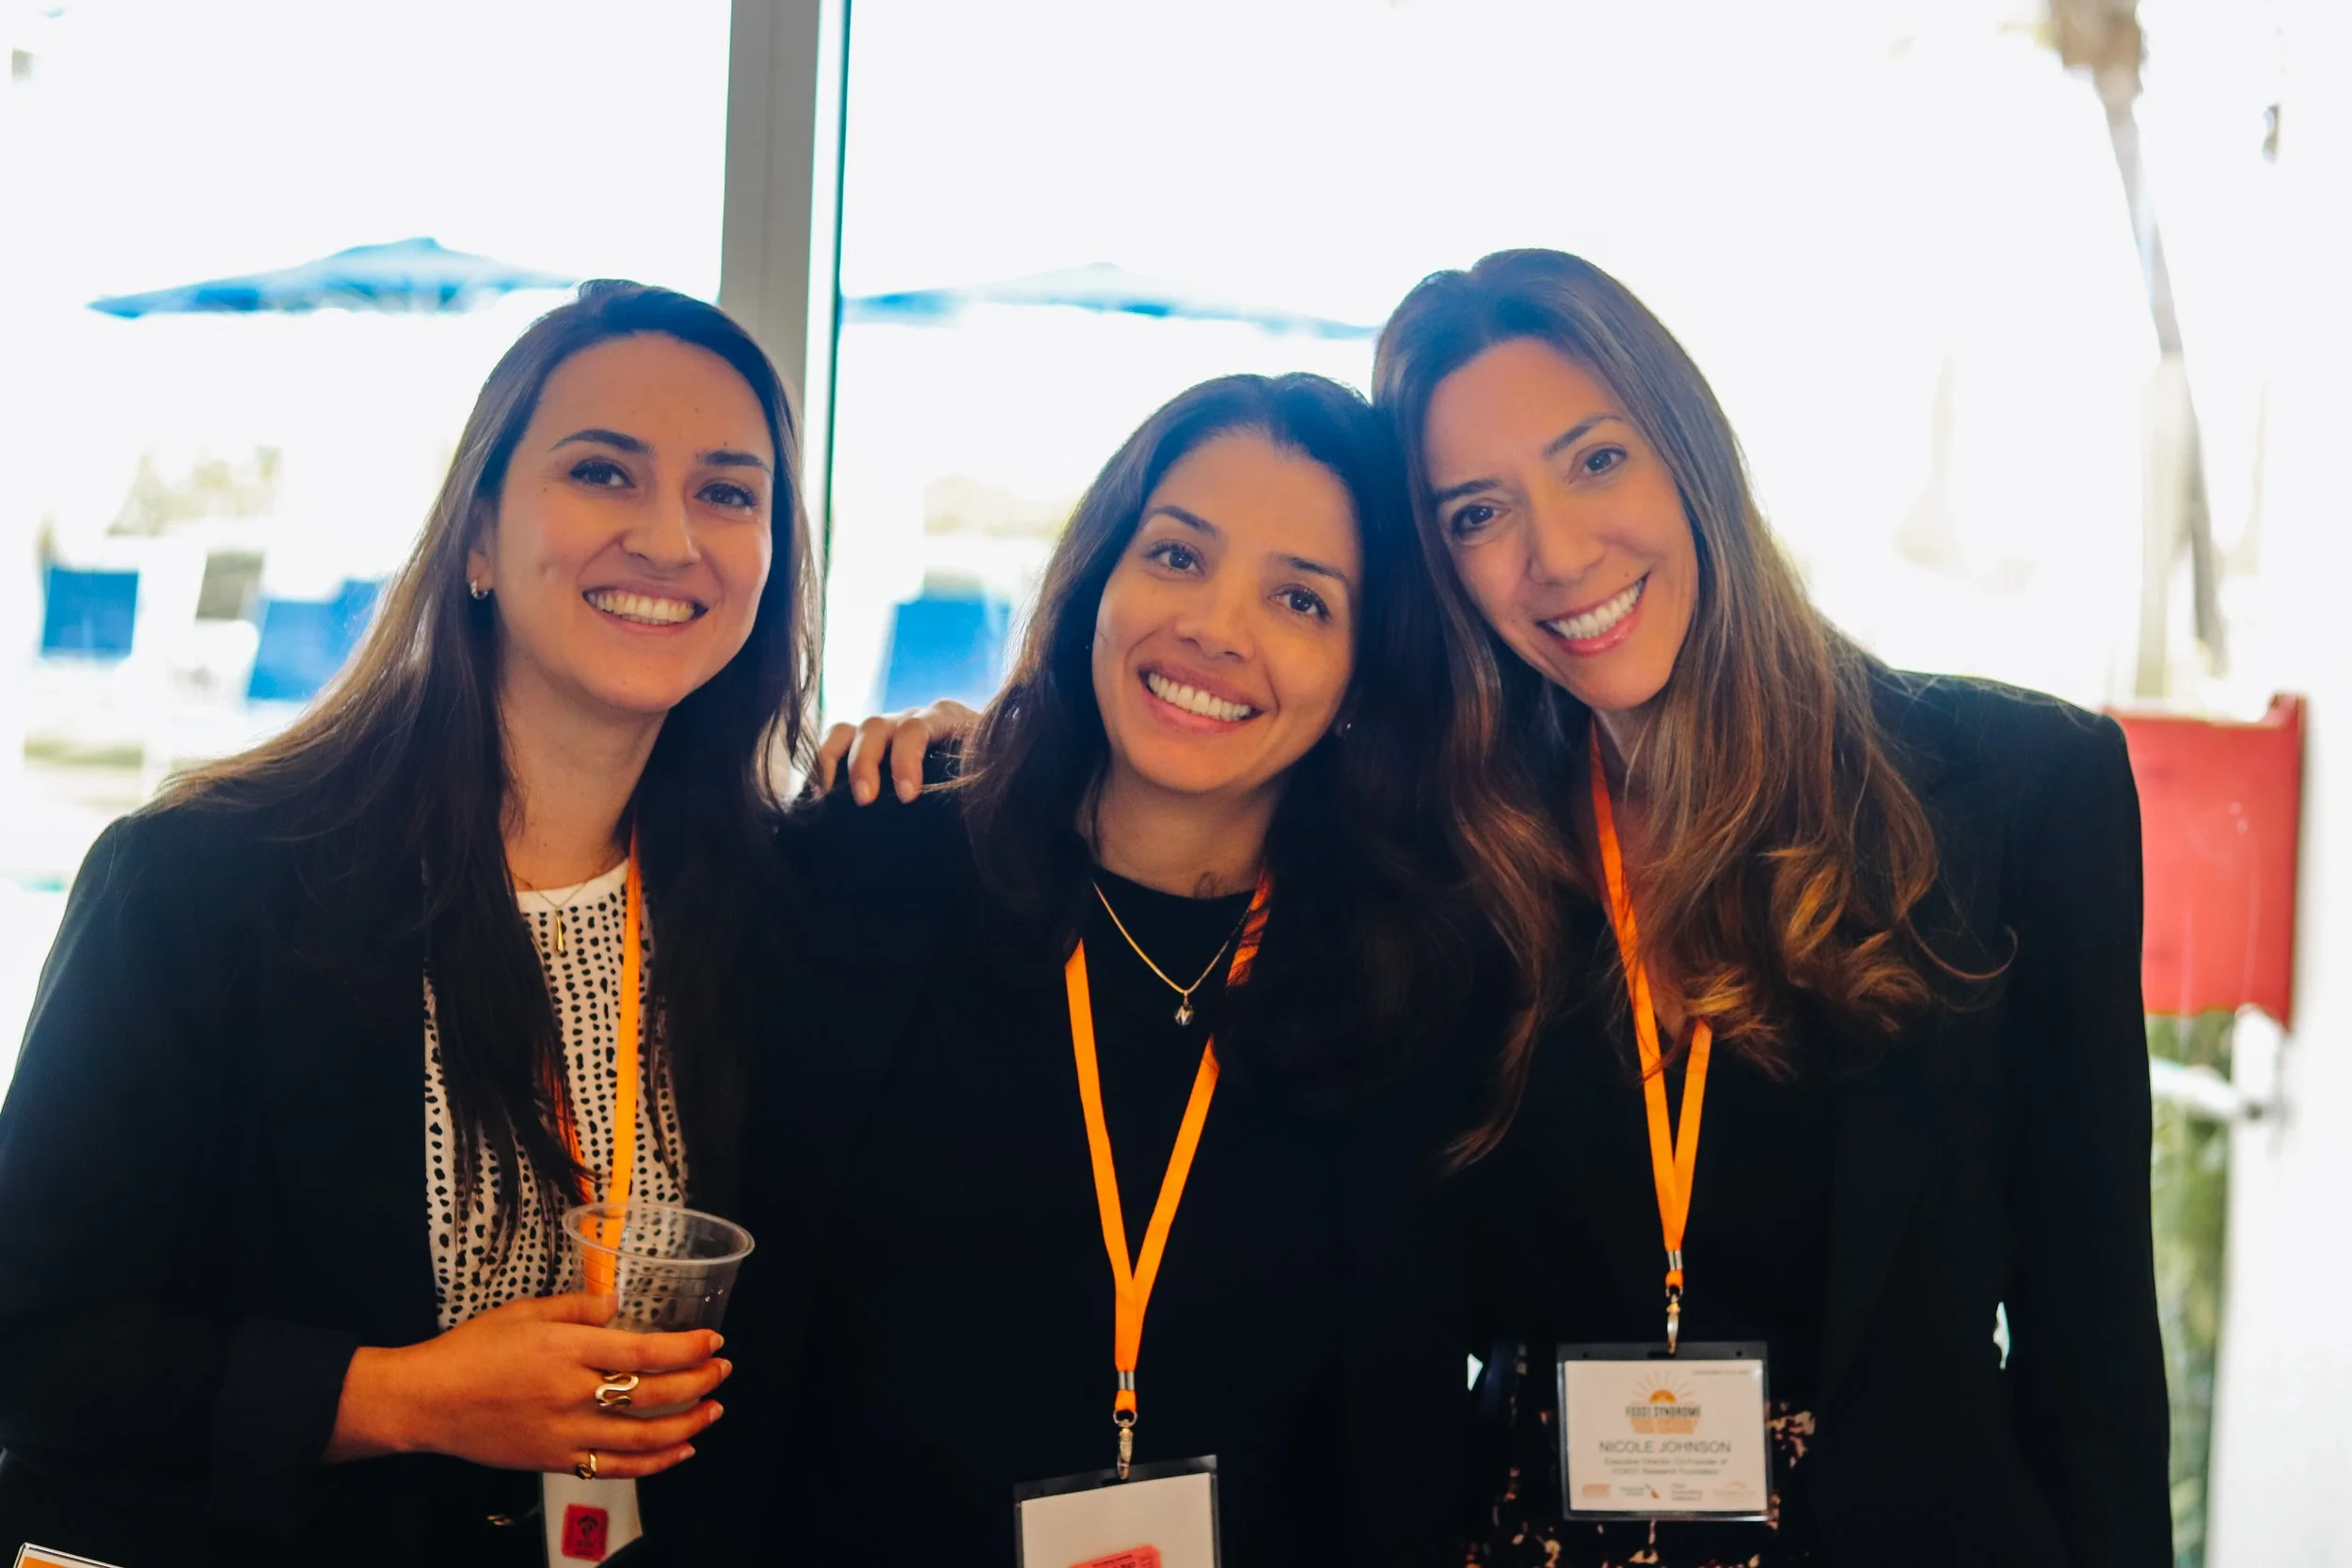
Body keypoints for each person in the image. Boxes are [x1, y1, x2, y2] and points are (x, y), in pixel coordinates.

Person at [1370, 249, 2170, 1566]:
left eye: (1595, 459)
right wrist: (973, 766)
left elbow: (2093, 1342)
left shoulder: (2019, 793)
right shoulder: (1451, 840)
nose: (1557, 553)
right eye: (1475, 512)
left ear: (1690, 451)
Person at [0, 280, 819, 1565]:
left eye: (729, 491)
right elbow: (37, 1344)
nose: (670, 536)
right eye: (604, 471)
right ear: (477, 540)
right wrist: (401, 1395)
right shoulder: (202, 882)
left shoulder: (778, 913)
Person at [740, 372, 1497, 1566]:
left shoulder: (1415, 975)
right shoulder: (875, 861)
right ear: (1098, 574)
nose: (1214, 628)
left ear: (1368, 674)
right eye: (1178, 556)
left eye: (1301, 599)